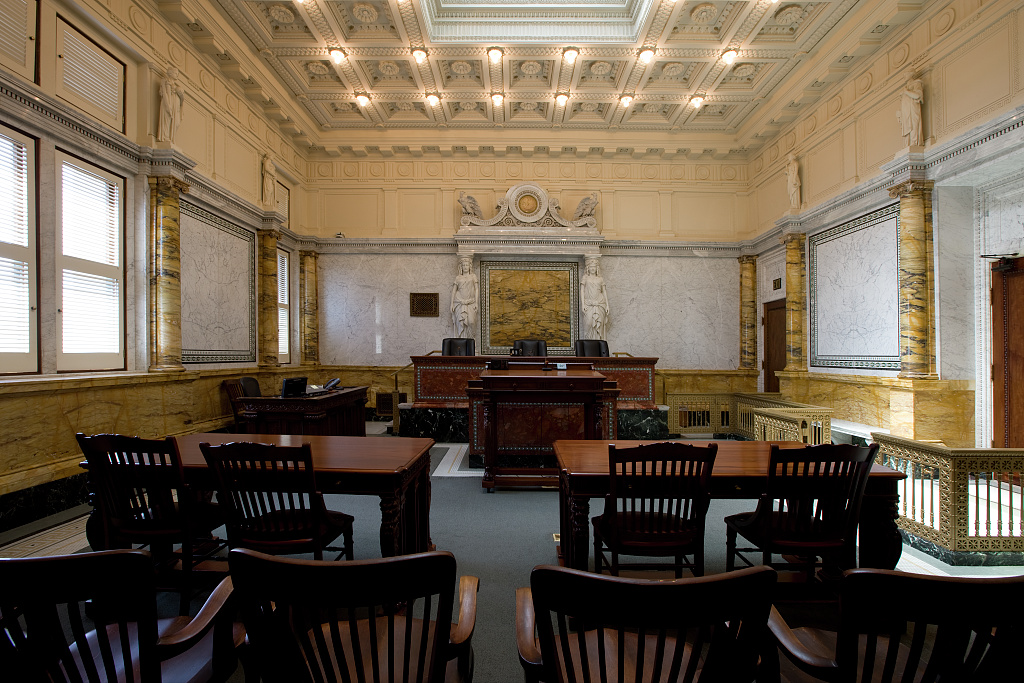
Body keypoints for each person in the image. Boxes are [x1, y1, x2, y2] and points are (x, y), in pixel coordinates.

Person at [580, 258, 609, 340]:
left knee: (599, 325)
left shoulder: (600, 279)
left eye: (594, 267)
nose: (593, 268)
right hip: (588, 304)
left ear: (597, 268)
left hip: (600, 303)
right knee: (588, 323)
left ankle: (599, 345)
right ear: (588, 268)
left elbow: (604, 292)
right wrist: (583, 304)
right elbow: (582, 290)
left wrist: (607, 305)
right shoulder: (585, 278)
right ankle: (588, 344)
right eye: (591, 267)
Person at [451, 258, 479, 339]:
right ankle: (461, 344)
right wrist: (452, 303)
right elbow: (454, 291)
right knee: (460, 323)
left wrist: (476, 303)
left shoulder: (473, 276)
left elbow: (476, 289)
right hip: (459, 302)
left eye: (467, 265)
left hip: (471, 303)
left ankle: (471, 343)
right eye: (464, 265)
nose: (465, 267)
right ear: (461, 267)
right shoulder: (458, 278)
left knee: (471, 322)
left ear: (470, 266)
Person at [157, 67, 184, 143]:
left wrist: (180, 94)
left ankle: (170, 137)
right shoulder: (166, 81)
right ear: (170, 73)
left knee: (177, 123)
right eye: (175, 73)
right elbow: (166, 94)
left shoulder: (175, 85)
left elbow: (182, 100)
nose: (177, 75)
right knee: (167, 119)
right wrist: (168, 106)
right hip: (168, 104)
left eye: (177, 74)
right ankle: (166, 137)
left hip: (175, 107)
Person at [897, 75, 924, 147]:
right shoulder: (904, 89)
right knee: (907, 127)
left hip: (913, 110)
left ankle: (914, 143)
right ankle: (908, 144)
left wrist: (906, 92)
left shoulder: (916, 84)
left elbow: (917, 96)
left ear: (911, 74)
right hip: (905, 112)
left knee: (913, 125)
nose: (904, 75)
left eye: (907, 73)